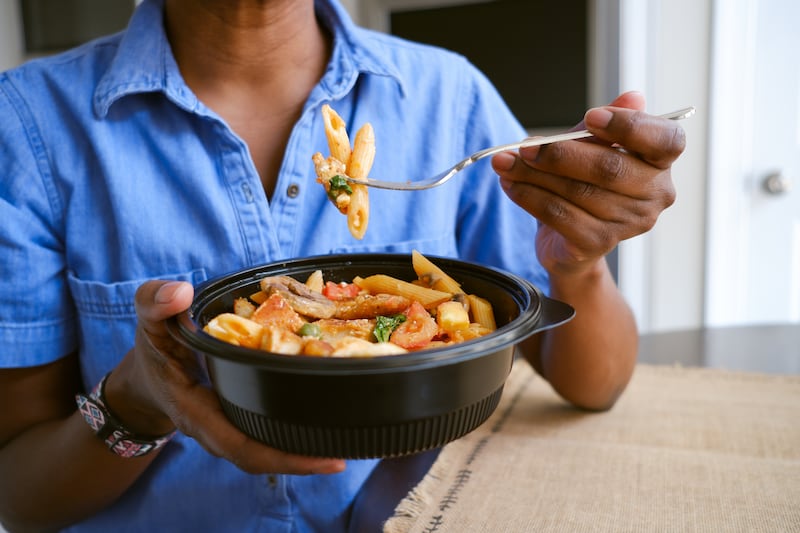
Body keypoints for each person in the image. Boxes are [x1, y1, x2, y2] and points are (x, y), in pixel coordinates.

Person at [0, 0, 685, 531]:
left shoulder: (449, 97)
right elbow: (21, 499)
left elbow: (593, 383)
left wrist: (578, 263)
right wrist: (137, 399)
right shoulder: (29, 126)